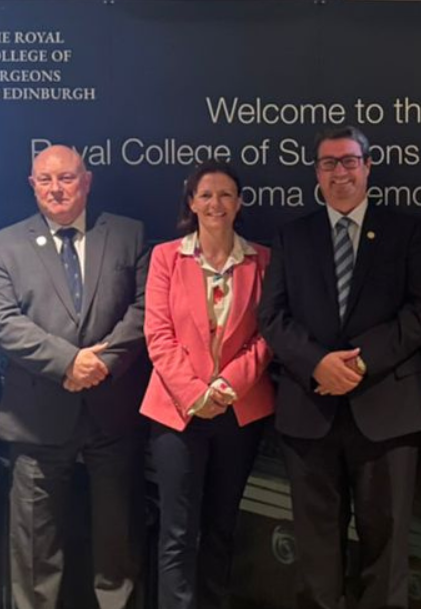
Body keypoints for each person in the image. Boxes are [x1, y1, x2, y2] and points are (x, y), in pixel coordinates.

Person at [258, 126, 421, 609]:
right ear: (317, 172)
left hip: (387, 411)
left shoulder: (408, 231)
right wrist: (317, 363)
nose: (340, 172)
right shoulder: (291, 236)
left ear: (368, 166)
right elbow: (271, 317)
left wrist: (359, 363)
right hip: (309, 413)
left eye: (349, 161)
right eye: (328, 163)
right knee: (316, 549)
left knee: (388, 543)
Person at [0, 144, 149, 609]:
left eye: (67, 178)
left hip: (111, 412)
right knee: (34, 550)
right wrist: (67, 363)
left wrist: (102, 363)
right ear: (33, 185)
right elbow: (1, 321)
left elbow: (144, 310)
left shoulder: (127, 234)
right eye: (45, 180)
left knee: (118, 543)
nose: (56, 189)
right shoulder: (3, 244)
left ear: (87, 181)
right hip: (37, 416)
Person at [140, 161, 274, 609]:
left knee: (221, 527)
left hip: (239, 413)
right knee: (177, 531)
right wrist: (197, 393)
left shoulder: (263, 260)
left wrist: (226, 388)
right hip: (177, 414)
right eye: (206, 195)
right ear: (191, 202)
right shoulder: (165, 257)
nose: (215, 203)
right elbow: (158, 335)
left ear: (239, 203)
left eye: (225, 195)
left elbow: (267, 334)